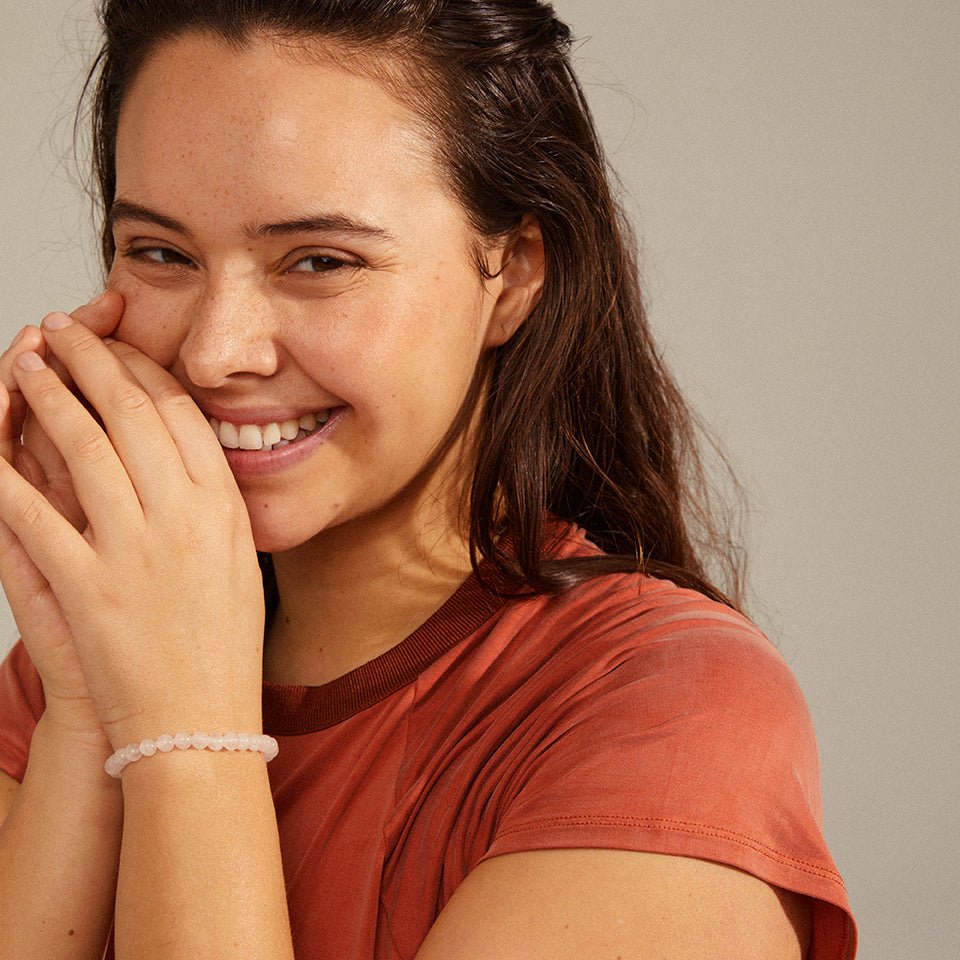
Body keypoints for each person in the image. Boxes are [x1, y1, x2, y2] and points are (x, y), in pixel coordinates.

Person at [0, 1, 856, 957]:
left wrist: (182, 735)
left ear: (514, 272)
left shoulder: (668, 713)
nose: (213, 353)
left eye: (321, 261)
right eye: (161, 253)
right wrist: (84, 707)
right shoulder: (88, 656)